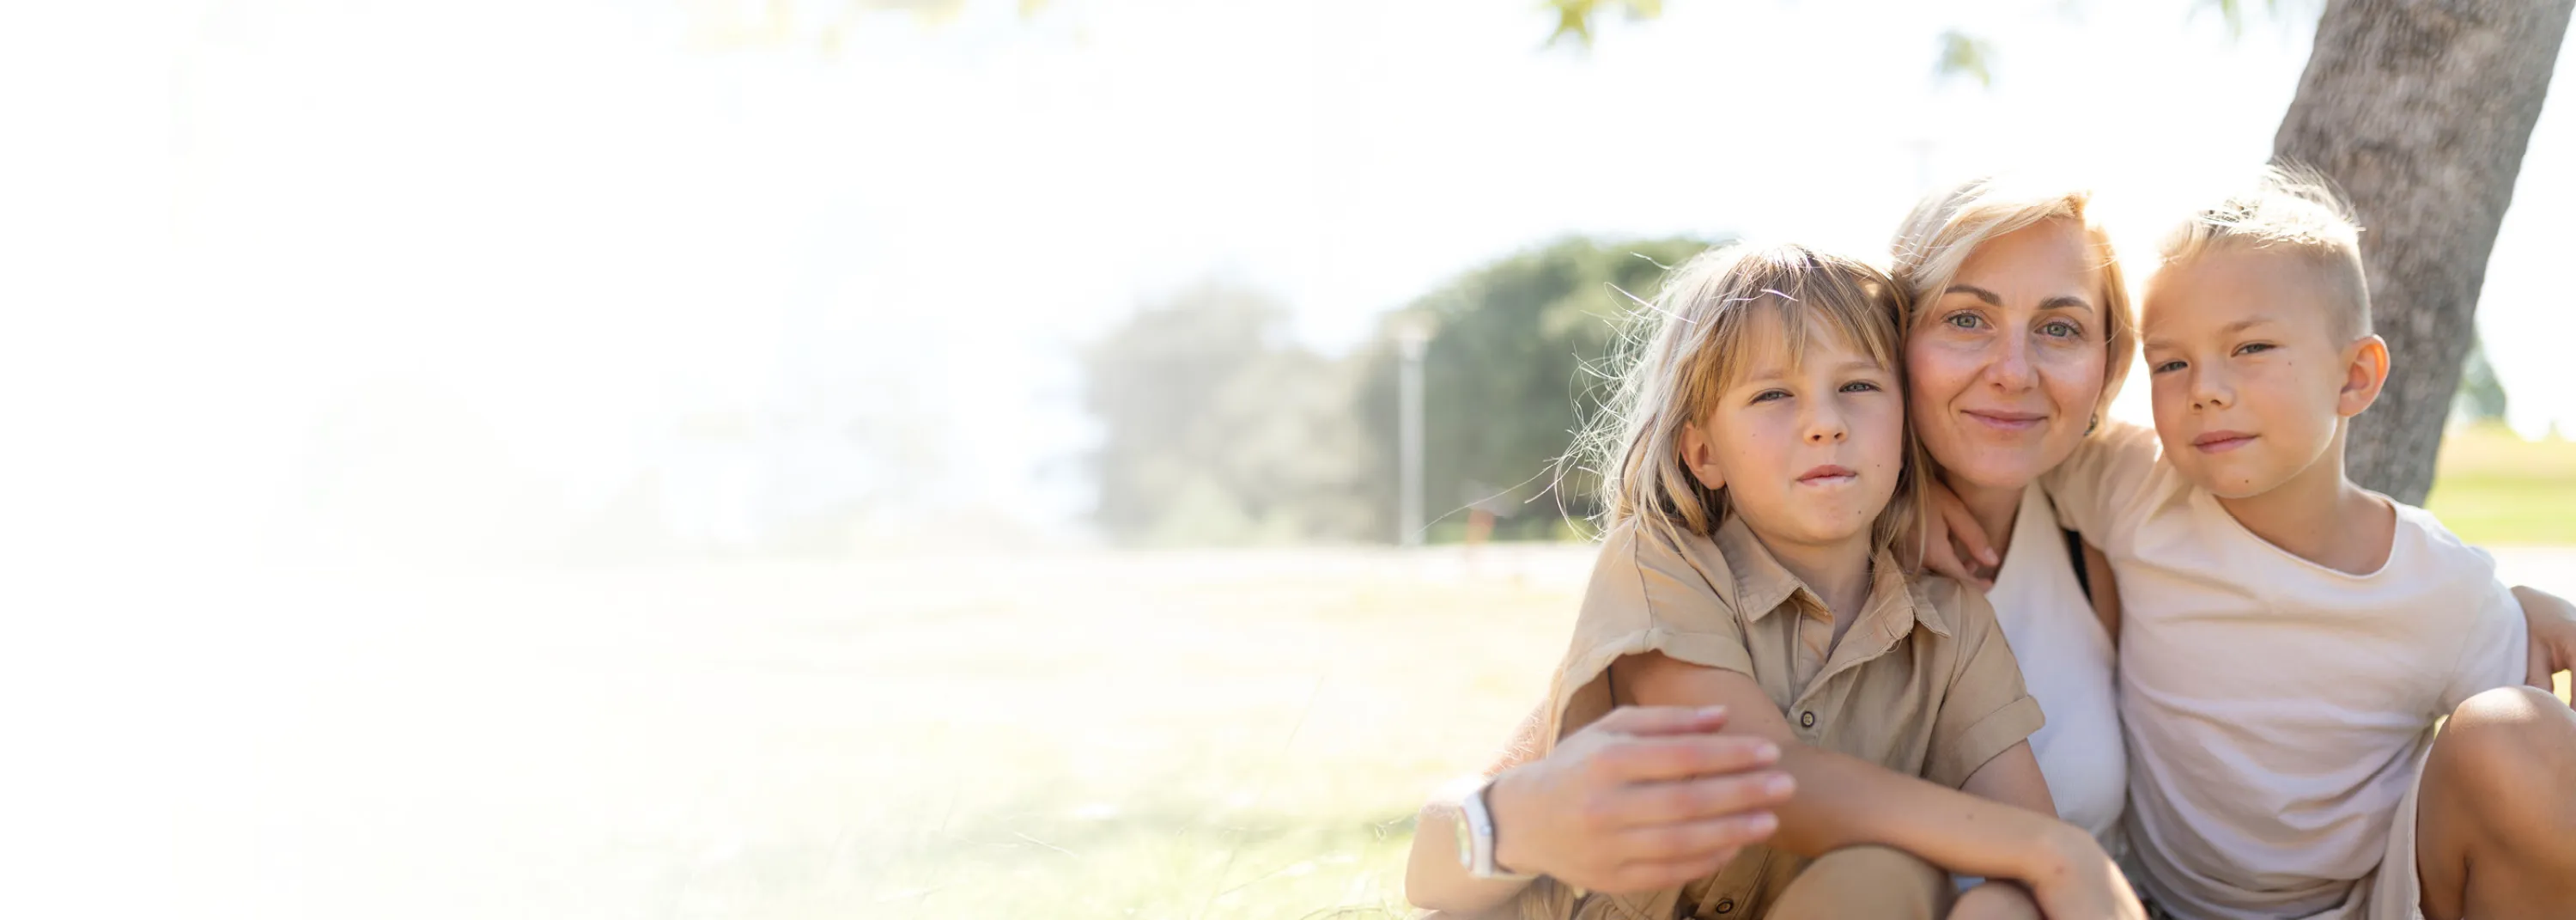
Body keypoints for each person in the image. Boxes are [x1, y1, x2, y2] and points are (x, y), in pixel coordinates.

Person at [1401, 242, 2142, 920]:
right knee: (1915, 869)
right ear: (1702, 453)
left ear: (1903, 422)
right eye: (1771, 396)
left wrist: (2033, 875)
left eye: (1857, 385)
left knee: (1937, 889)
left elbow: (2026, 839)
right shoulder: (1666, 563)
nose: (1824, 422)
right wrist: (2056, 851)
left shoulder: (1951, 627)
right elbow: (1761, 778)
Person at [2035, 166, 2576, 920]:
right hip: (2160, 904)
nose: (2205, 388)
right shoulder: (2136, 484)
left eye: (2251, 347)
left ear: (2354, 377)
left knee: (2523, 732)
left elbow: (2538, 783)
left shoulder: (2442, 586)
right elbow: (2000, 453)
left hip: (2370, 903)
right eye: (2171, 362)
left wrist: (2522, 602)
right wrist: (1935, 510)